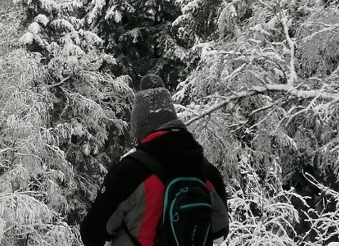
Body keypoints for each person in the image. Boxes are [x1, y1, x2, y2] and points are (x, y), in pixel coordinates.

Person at [80, 75, 229, 246]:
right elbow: (220, 233)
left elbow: (92, 234)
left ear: (141, 128)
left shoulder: (128, 172)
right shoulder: (206, 170)